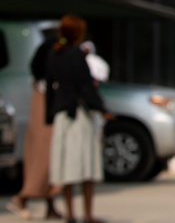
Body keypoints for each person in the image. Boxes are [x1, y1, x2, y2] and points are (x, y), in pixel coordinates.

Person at [45, 15, 114, 223]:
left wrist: (49, 114)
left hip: (61, 115)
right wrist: (101, 109)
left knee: (67, 167)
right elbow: (85, 86)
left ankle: (71, 214)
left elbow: (50, 86)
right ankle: (88, 214)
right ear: (78, 34)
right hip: (79, 116)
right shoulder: (75, 55)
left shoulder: (54, 54)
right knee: (86, 166)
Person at [6, 23, 61, 221]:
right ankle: (24, 197)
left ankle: (50, 203)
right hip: (47, 114)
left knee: (50, 159)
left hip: (49, 112)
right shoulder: (44, 87)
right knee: (43, 157)